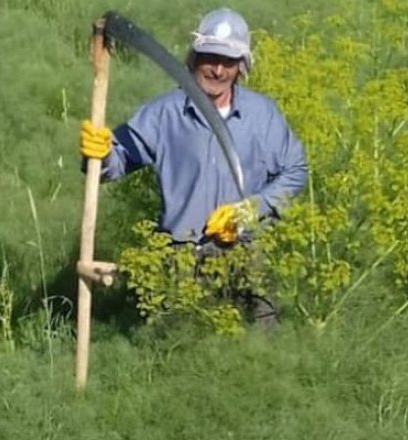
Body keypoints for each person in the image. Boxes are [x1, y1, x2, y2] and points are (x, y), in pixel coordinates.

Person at [79, 7, 308, 326]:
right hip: (181, 259)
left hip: (249, 256)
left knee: (259, 355)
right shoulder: (163, 114)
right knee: (179, 348)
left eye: (228, 61)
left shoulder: (263, 115)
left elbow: (295, 171)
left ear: (241, 66)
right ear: (193, 57)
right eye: (209, 57)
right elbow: (117, 161)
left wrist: (251, 210)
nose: (217, 69)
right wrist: (100, 154)